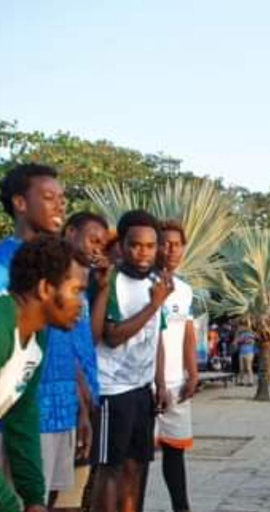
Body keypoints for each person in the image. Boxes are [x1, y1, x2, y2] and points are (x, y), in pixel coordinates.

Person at [89, 210, 173, 512]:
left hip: (141, 390)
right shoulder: (109, 281)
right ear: (122, 245)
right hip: (112, 391)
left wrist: (159, 383)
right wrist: (154, 304)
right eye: (135, 245)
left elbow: (156, 336)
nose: (143, 252)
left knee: (137, 468)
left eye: (150, 246)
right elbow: (112, 336)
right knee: (109, 469)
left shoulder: (157, 281)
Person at [0, 236, 89, 512]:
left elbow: (22, 420)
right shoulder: (2, 325)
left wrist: (34, 499)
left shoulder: (36, 340)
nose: (81, 303)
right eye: (76, 291)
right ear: (44, 288)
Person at [42, 212, 109, 512]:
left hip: (78, 403)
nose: (97, 249)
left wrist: (102, 289)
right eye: (93, 240)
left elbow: (87, 340)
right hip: (53, 404)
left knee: (72, 497)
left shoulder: (83, 282)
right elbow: (58, 347)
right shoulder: (53, 277)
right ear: (70, 232)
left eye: (102, 244)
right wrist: (80, 398)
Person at [156, 220, 198, 512]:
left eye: (177, 244)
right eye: (165, 243)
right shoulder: (143, 285)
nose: (171, 250)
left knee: (175, 450)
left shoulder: (184, 290)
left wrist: (192, 373)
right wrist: (157, 381)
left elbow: (187, 333)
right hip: (145, 384)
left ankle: (181, 508)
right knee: (135, 458)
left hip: (176, 383)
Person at [236, 322, 256, 386]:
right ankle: (241, 381)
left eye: (243, 326)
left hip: (249, 352)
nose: (242, 328)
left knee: (248, 368)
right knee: (241, 368)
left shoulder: (251, 334)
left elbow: (251, 341)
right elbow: (237, 341)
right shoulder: (241, 334)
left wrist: (243, 341)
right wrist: (242, 340)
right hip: (242, 352)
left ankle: (250, 381)